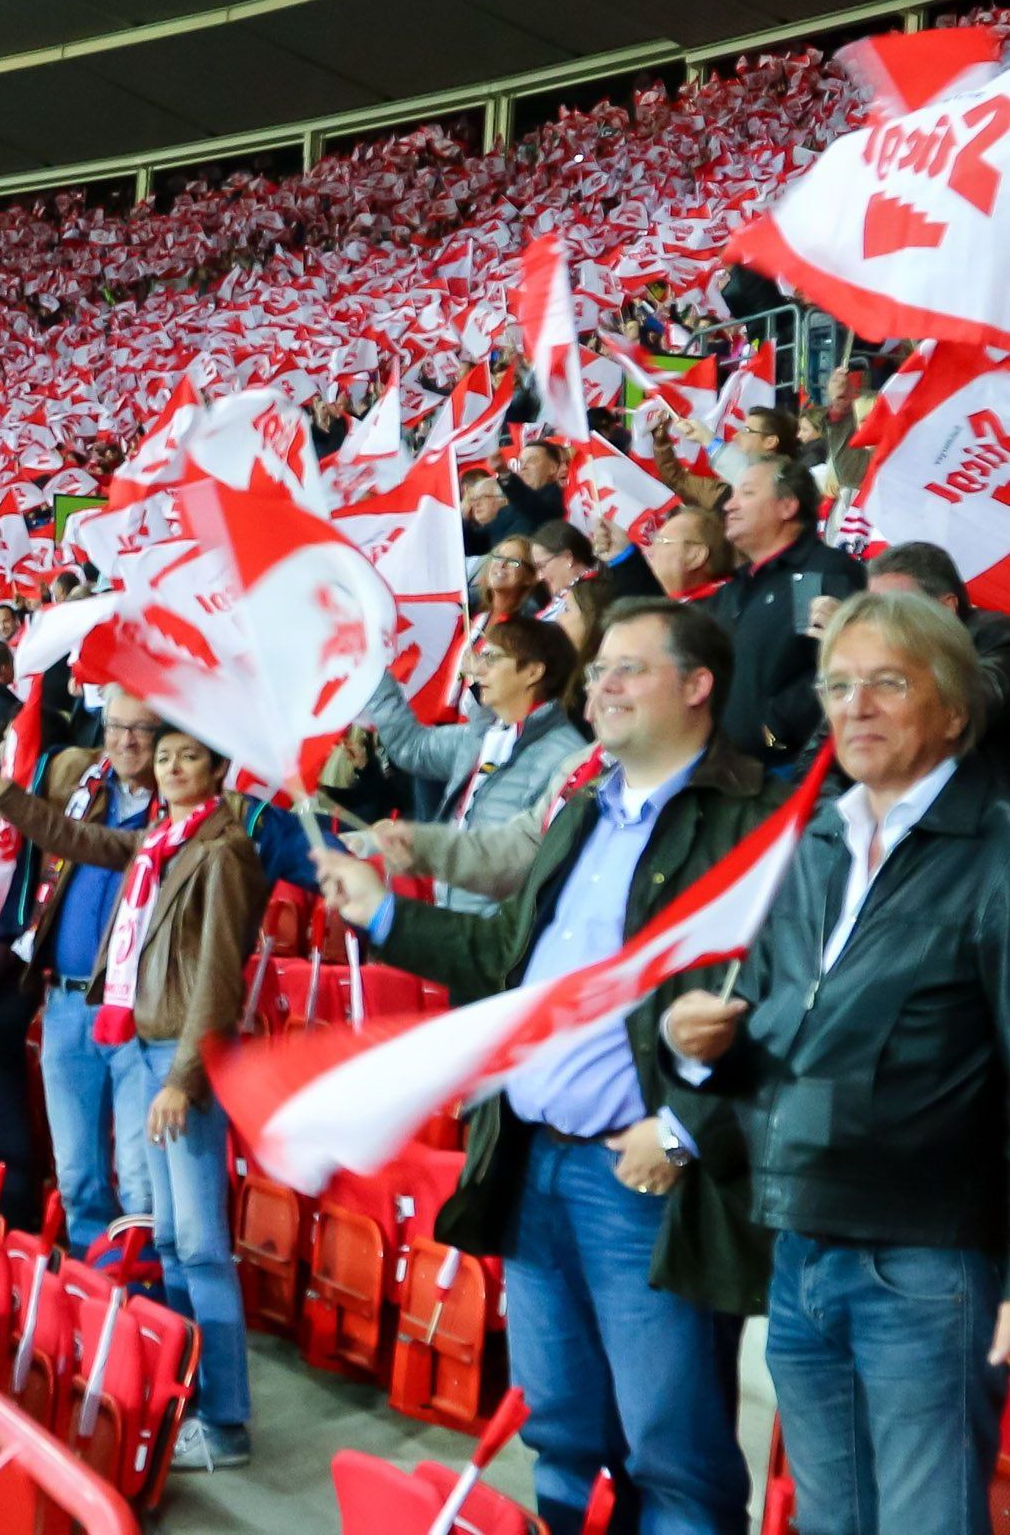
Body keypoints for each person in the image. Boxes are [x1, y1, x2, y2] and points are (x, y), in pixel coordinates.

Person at [317, 599, 770, 1535]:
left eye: (628, 668)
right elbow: (506, 957)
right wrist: (383, 913)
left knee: (674, 1459)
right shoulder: (584, 807)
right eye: (596, 670)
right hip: (530, 1156)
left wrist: (683, 1132)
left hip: (640, 1181)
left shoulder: (752, 822)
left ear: (698, 685)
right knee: (560, 1432)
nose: (600, 686)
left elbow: (786, 1006)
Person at [665, 592, 1010, 1535]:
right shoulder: (814, 840)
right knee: (828, 1521)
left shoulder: (996, 852)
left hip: (928, 1261)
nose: (855, 705)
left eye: (887, 682)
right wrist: (697, 1053)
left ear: (954, 708)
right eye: (838, 683)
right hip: (801, 1244)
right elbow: (772, 1027)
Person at [0, 720, 264, 1470]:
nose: (172, 767)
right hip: (147, 1043)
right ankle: (187, 1395)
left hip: (178, 1058)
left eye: (189, 756)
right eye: (166, 756)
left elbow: (218, 977)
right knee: (174, 1239)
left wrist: (182, 1079)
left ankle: (226, 1422)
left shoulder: (222, 851)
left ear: (218, 769)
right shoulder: (161, 838)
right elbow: (74, 837)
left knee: (200, 1244)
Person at [0, 687, 161, 1253]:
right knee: (75, 1176)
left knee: (139, 1181)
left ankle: (141, 1297)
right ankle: (96, 1283)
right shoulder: (85, 792)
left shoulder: (176, 816)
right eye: (115, 726)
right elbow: (21, 816)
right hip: (67, 1006)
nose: (125, 741)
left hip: (137, 1012)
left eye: (140, 729)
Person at [359, 617, 584, 911]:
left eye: (492, 658)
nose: (478, 669)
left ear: (532, 671)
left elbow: (544, 868)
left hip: (493, 928)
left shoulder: (566, 757)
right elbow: (412, 746)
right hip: (448, 911)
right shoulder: (484, 736)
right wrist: (374, 674)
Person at [710, 457, 862, 764]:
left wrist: (773, 733)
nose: (729, 506)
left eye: (747, 493)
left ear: (787, 506)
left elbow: (827, 664)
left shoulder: (814, 574)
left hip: (781, 772)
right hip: (723, 768)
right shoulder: (735, 588)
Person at [859, 540, 1010, 767]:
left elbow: (967, 707)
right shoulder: (880, 648)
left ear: (946, 607)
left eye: (897, 607)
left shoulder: (997, 635)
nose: (881, 620)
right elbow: (831, 741)